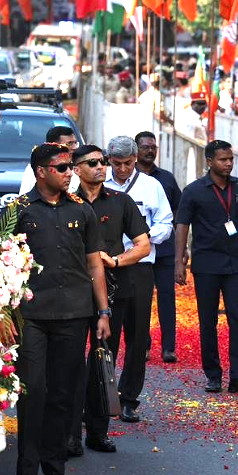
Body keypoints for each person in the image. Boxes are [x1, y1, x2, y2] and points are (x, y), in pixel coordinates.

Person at [13, 143, 110, 475]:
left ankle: (55, 473)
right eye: (62, 167)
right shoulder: (19, 210)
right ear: (41, 172)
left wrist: (103, 313)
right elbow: (1, 266)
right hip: (32, 317)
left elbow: (94, 264)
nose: (70, 172)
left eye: (71, 166)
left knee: (62, 396)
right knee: (32, 392)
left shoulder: (80, 211)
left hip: (74, 315)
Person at [69, 145, 150, 455]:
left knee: (105, 360)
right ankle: (71, 431)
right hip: (74, 292)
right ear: (76, 169)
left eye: (103, 162)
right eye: (93, 163)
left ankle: (98, 430)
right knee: (72, 361)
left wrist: (115, 261)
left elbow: (143, 245)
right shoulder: (66, 202)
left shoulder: (120, 202)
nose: (102, 167)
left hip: (116, 290)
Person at [175, 140, 238, 395]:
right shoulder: (194, 191)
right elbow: (182, 224)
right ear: (209, 161)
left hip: (237, 262)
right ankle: (213, 375)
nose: (228, 164)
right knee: (208, 321)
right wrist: (179, 259)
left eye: (230, 159)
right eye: (222, 160)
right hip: (206, 263)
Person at [103, 136, 173, 422]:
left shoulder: (151, 186)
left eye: (128, 164)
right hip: (106, 266)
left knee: (137, 335)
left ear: (135, 160)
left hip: (139, 267)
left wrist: (141, 239)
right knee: (106, 334)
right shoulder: (99, 182)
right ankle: (102, 396)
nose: (122, 169)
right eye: (116, 164)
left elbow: (166, 223)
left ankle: (129, 396)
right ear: (109, 160)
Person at [134, 131, 182, 363]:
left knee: (166, 297)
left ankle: (168, 347)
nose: (150, 151)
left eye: (154, 147)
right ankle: (143, 344)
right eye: (145, 147)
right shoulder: (129, 179)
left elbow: (178, 214)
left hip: (164, 249)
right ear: (136, 150)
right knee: (141, 299)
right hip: (138, 251)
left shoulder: (167, 178)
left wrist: (182, 250)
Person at [18, 126, 80, 195]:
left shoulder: (82, 167)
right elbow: (24, 198)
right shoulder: (34, 168)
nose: (75, 147)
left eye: (75, 143)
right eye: (70, 143)